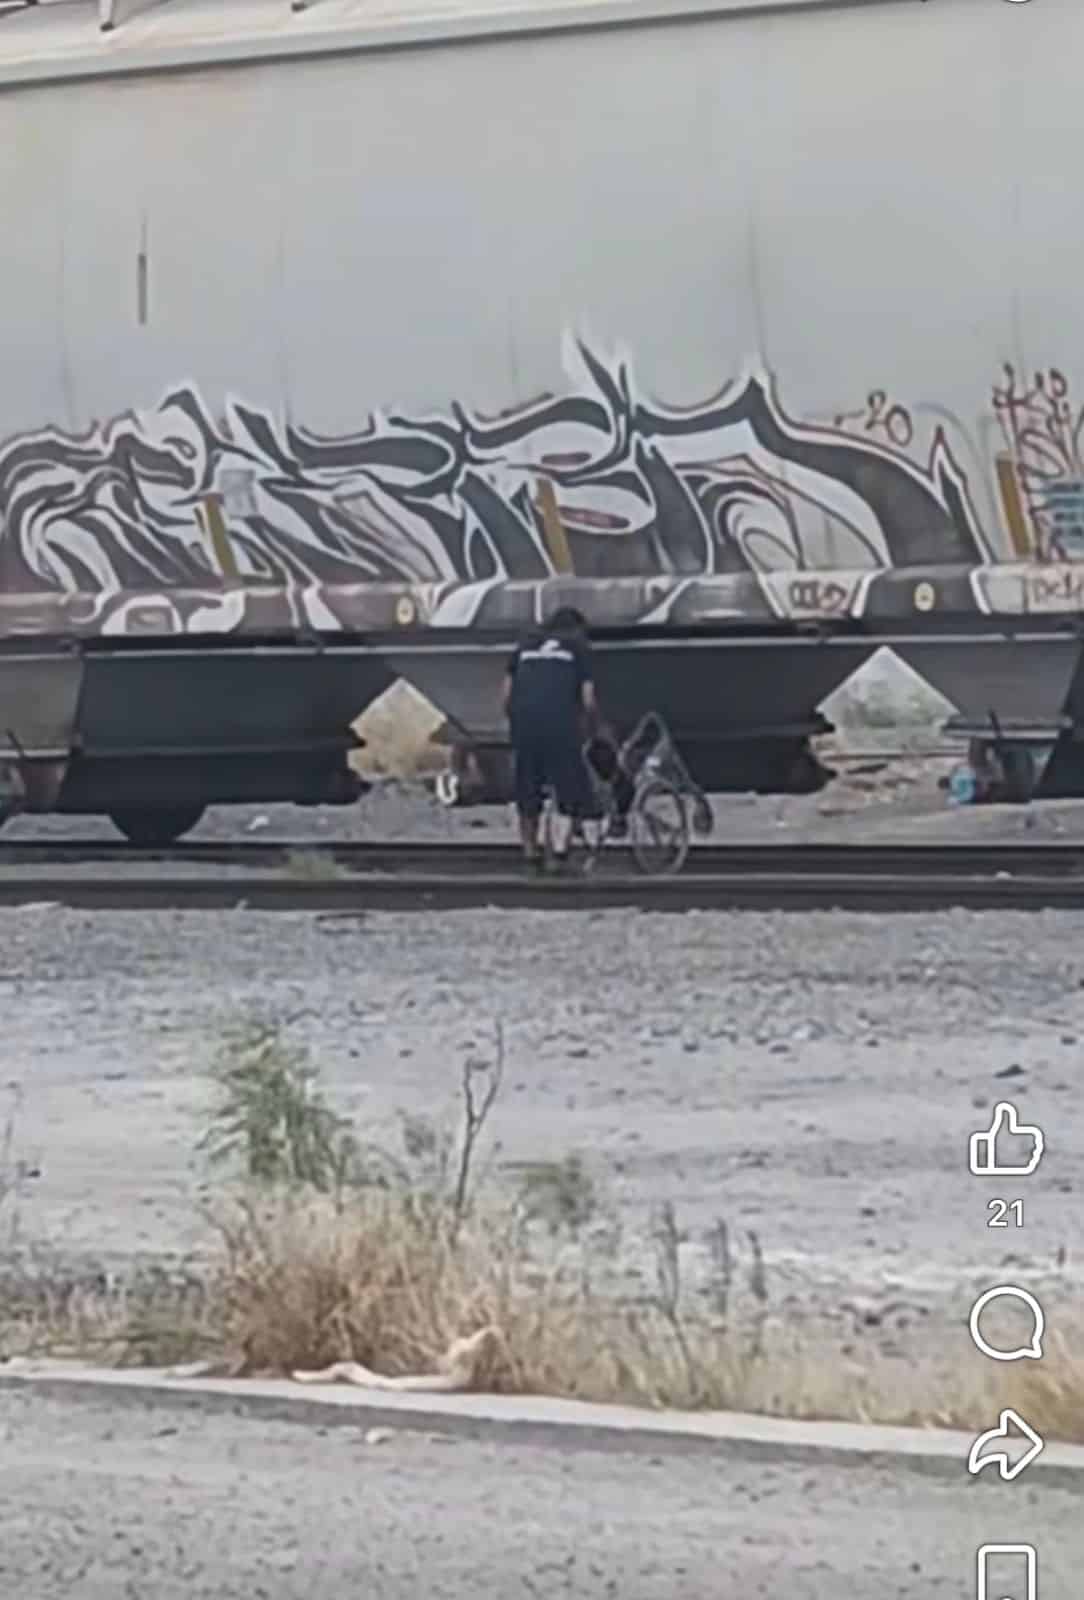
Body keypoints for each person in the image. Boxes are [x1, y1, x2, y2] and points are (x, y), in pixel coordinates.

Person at [502, 607, 599, 872]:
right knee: (568, 787)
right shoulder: (578, 648)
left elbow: (506, 694)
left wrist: (517, 722)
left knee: (527, 788)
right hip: (561, 726)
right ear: (577, 629)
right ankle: (559, 851)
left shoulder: (524, 646)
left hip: (525, 725)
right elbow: (588, 699)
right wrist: (592, 727)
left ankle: (529, 851)